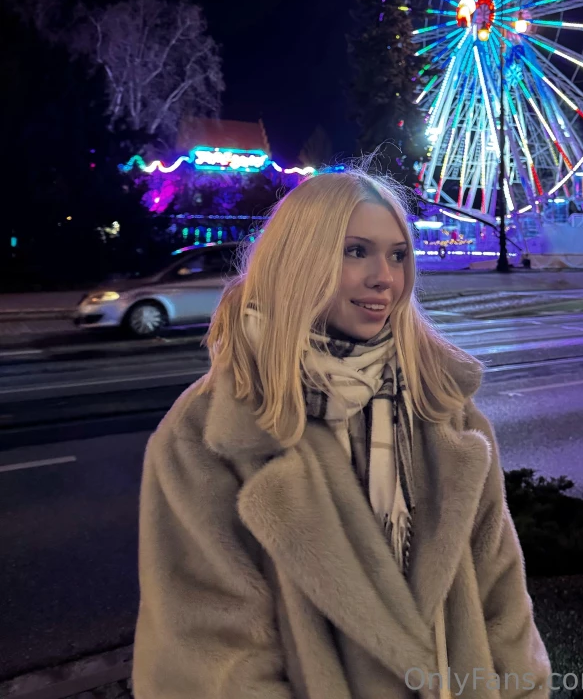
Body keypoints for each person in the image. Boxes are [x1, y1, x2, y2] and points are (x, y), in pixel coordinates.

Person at [132, 169, 550, 698]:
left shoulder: (442, 405)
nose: (385, 278)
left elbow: (501, 595)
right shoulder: (208, 433)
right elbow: (208, 654)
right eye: (356, 251)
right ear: (297, 259)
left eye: (398, 255)